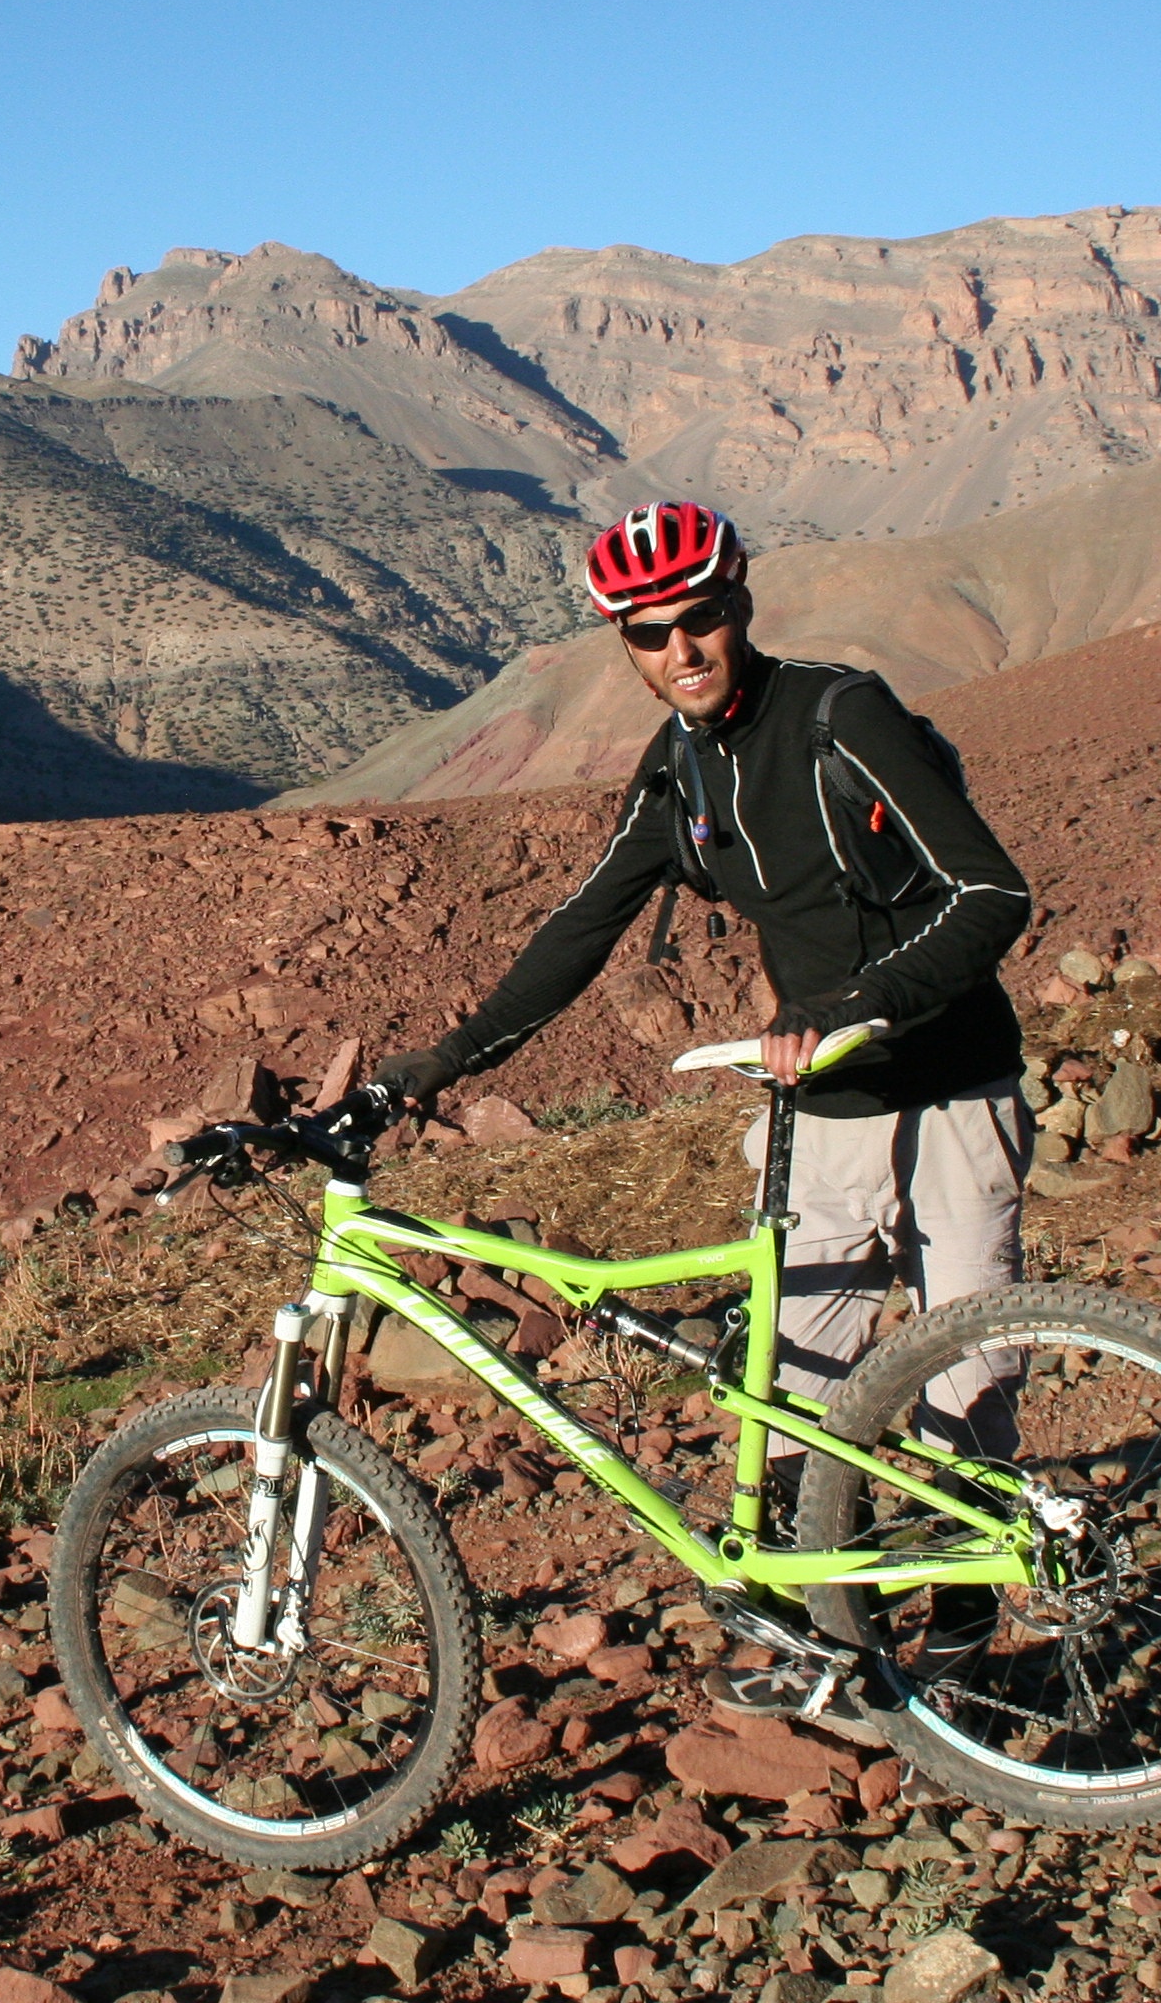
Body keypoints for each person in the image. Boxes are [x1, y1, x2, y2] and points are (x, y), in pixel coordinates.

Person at [375, 500, 1035, 1615]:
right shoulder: (680, 768)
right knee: (793, 1403)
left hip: (954, 1087)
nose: (680, 650)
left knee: (962, 1400)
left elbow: (992, 894)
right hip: (821, 1118)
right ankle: (835, 1634)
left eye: (701, 618)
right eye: (647, 633)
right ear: (622, 643)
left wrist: (854, 1008)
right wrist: (438, 1064)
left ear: (741, 605)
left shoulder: (841, 717)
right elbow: (587, 924)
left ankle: (972, 1645)